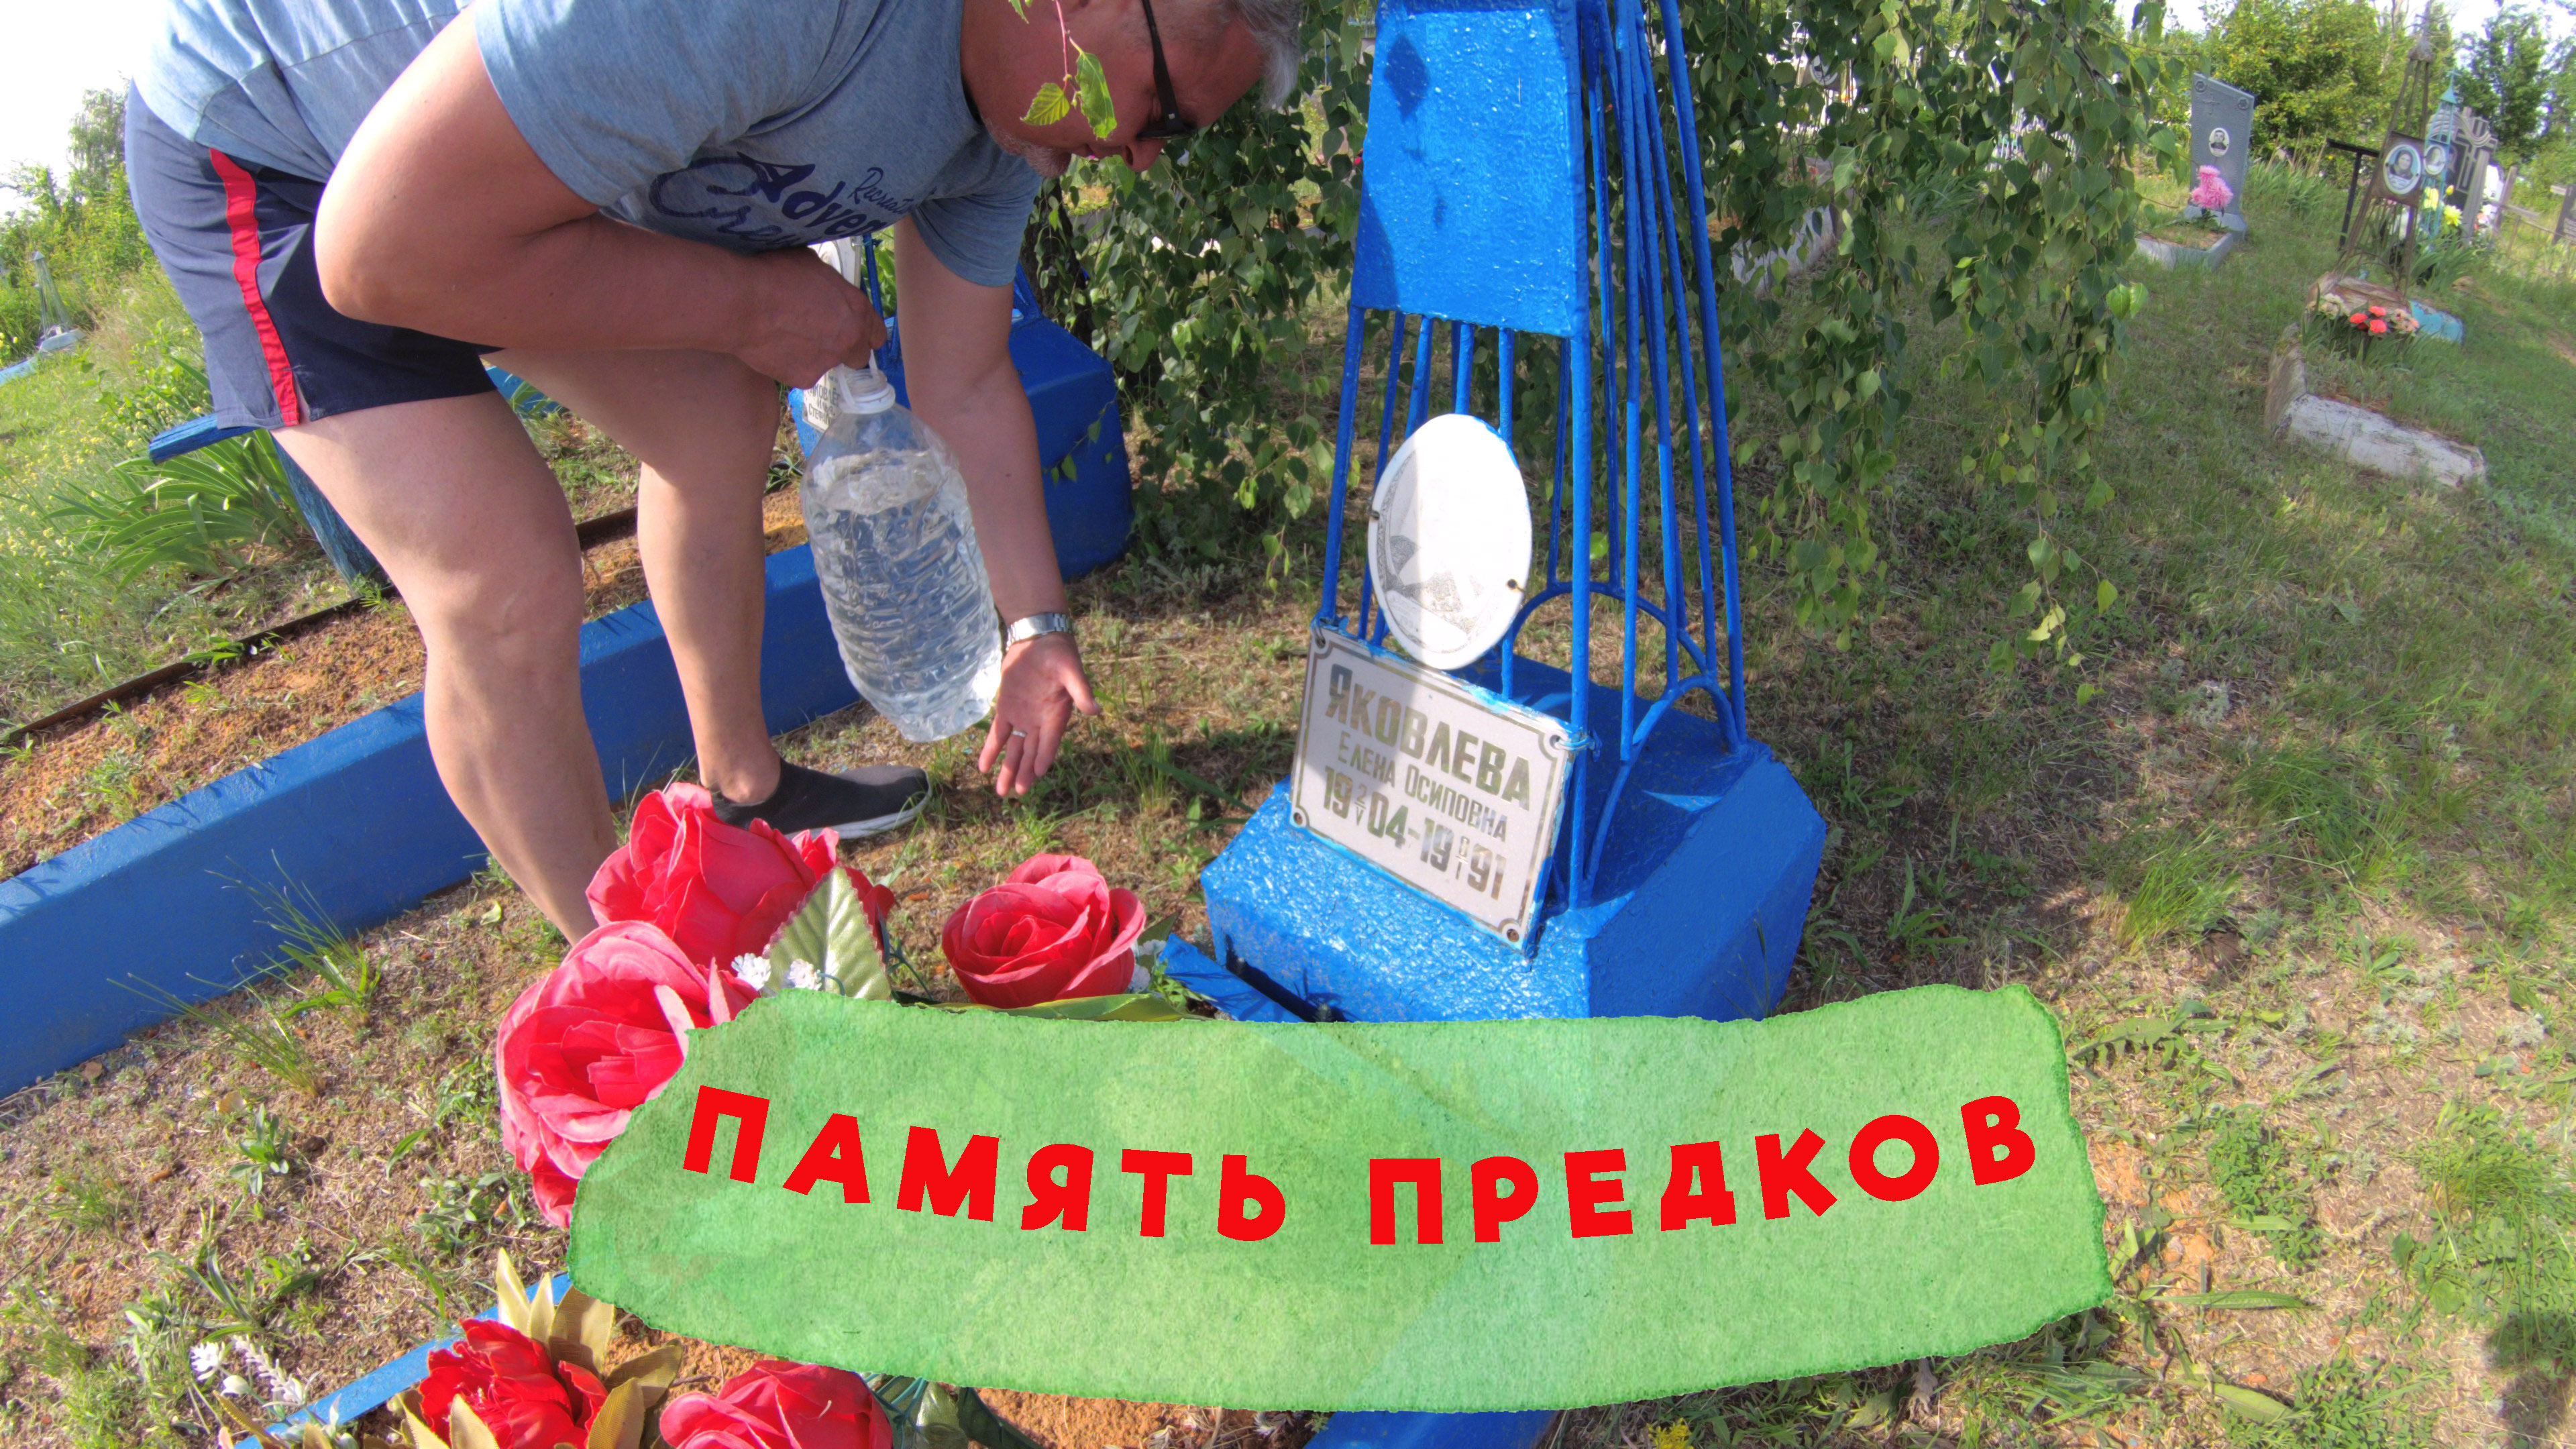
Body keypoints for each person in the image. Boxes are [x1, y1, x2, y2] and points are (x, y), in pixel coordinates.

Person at [125, 0, 1301, 936]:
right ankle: (625, 976)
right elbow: (386, 250)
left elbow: (965, 382)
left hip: (480, 184)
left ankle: (743, 786)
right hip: (282, 150)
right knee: (503, 578)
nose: (1142, 156)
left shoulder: (1005, 128)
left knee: (715, 416)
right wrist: (750, 304)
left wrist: (1036, 624)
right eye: (1164, 111)